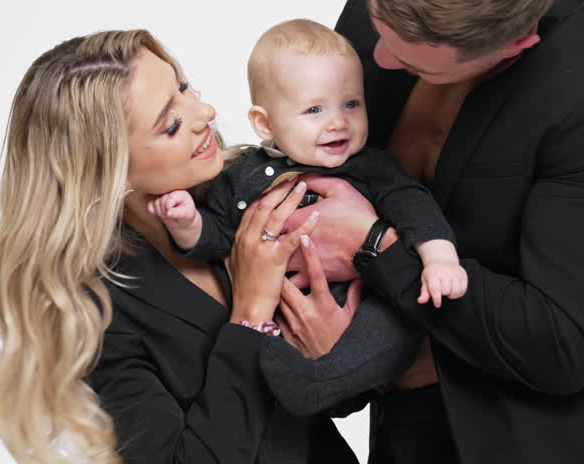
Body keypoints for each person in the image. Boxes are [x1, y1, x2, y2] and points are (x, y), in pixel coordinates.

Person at [285, 0, 584, 463]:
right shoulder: (395, 3)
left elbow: (560, 344)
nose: (383, 63)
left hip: (525, 441)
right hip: (398, 420)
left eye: (416, 64)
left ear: (516, 45)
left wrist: (373, 245)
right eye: (381, 33)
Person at [0, 30, 364, 464]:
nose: (206, 112)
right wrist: (251, 316)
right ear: (113, 171)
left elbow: (338, 400)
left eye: (183, 87)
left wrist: (335, 351)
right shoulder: (97, 313)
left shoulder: (239, 199)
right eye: (172, 124)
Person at [152, 18, 467, 307]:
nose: (338, 123)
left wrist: (441, 259)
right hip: (277, 309)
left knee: (389, 329)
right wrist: (188, 224)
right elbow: (219, 237)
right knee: (258, 350)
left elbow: (415, 206)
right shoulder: (241, 175)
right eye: (315, 110)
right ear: (265, 124)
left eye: (351, 104)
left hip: (359, 305)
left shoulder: (371, 168)